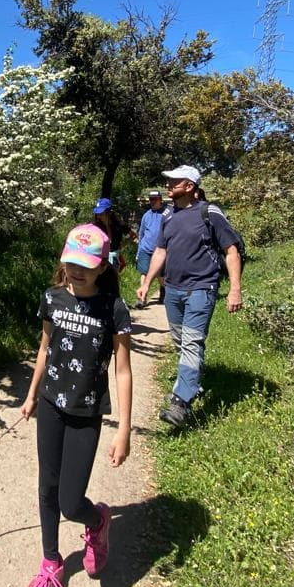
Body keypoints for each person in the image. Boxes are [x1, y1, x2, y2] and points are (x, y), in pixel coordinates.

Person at [21, 224, 133, 587]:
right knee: (47, 488)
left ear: (103, 266)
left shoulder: (114, 309)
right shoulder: (52, 299)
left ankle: (98, 519)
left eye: (85, 265)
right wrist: (32, 394)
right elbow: (45, 348)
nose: (76, 270)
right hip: (51, 405)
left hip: (86, 414)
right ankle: (50, 561)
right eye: (70, 262)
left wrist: (124, 429)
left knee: (71, 502)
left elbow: (122, 370)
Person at [136, 165, 242, 429]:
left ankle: (180, 402)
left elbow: (231, 251)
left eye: (174, 182)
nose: (169, 186)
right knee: (181, 342)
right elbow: (161, 251)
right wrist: (147, 282)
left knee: (192, 342)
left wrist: (235, 289)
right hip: (172, 289)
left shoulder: (210, 213)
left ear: (190, 186)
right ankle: (191, 384)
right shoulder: (169, 216)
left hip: (202, 288)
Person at [135, 190, 166, 303]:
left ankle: (163, 290)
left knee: (160, 275)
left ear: (160, 200)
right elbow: (141, 234)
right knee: (144, 272)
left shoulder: (165, 214)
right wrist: (138, 253)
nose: (152, 201)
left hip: (160, 250)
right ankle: (142, 298)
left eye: (155, 199)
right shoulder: (146, 215)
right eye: (151, 199)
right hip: (145, 249)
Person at [91, 197, 126, 270]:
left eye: (101, 213)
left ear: (109, 213)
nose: (99, 216)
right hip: (99, 256)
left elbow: (109, 241)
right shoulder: (97, 225)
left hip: (112, 257)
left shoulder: (118, 225)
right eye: (98, 214)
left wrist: (123, 245)